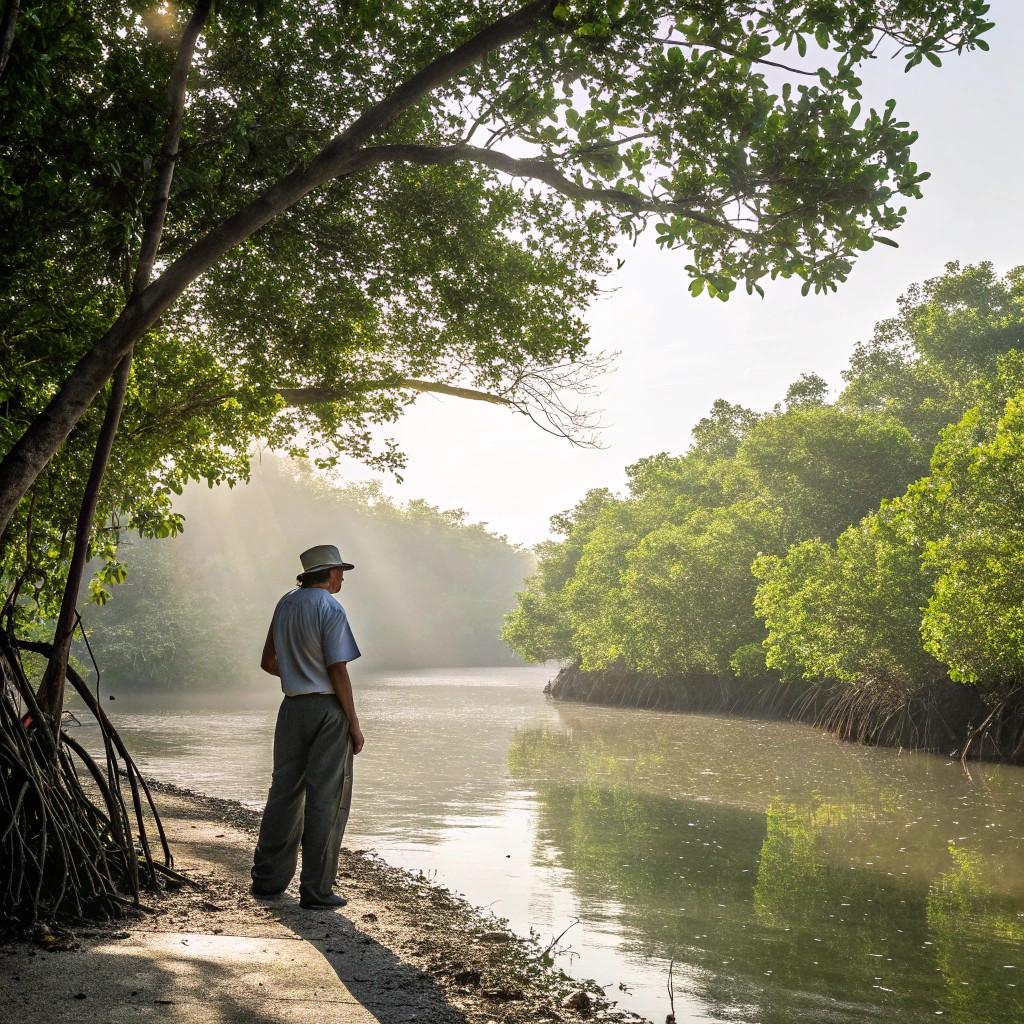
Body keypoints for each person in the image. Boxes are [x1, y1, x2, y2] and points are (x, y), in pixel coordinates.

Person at [250, 543, 365, 909]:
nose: (342, 577)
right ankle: (316, 891)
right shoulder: (330, 607)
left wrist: (298, 676)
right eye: (340, 572)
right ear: (329, 574)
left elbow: (269, 661)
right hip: (327, 708)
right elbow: (338, 669)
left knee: (284, 791)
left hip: (292, 707)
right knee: (326, 798)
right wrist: (354, 723)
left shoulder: (285, 603)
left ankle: (268, 881)